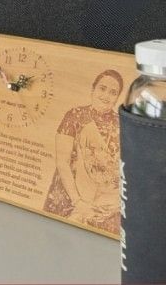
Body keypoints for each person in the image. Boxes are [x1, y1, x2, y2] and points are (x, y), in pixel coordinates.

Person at [44, 69, 125, 233]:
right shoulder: (75, 116)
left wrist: (117, 204)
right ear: (93, 89)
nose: (106, 95)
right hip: (72, 196)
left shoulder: (121, 123)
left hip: (107, 205)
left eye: (113, 92)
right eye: (102, 88)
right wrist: (79, 202)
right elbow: (63, 162)